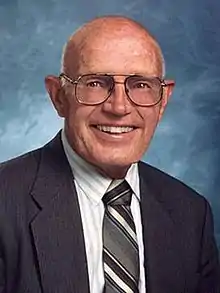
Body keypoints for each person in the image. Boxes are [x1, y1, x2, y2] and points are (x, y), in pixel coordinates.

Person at [0, 15, 219, 293]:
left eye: (140, 85)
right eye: (95, 83)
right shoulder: (4, 201)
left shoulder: (190, 213)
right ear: (58, 97)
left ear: (162, 101)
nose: (118, 108)